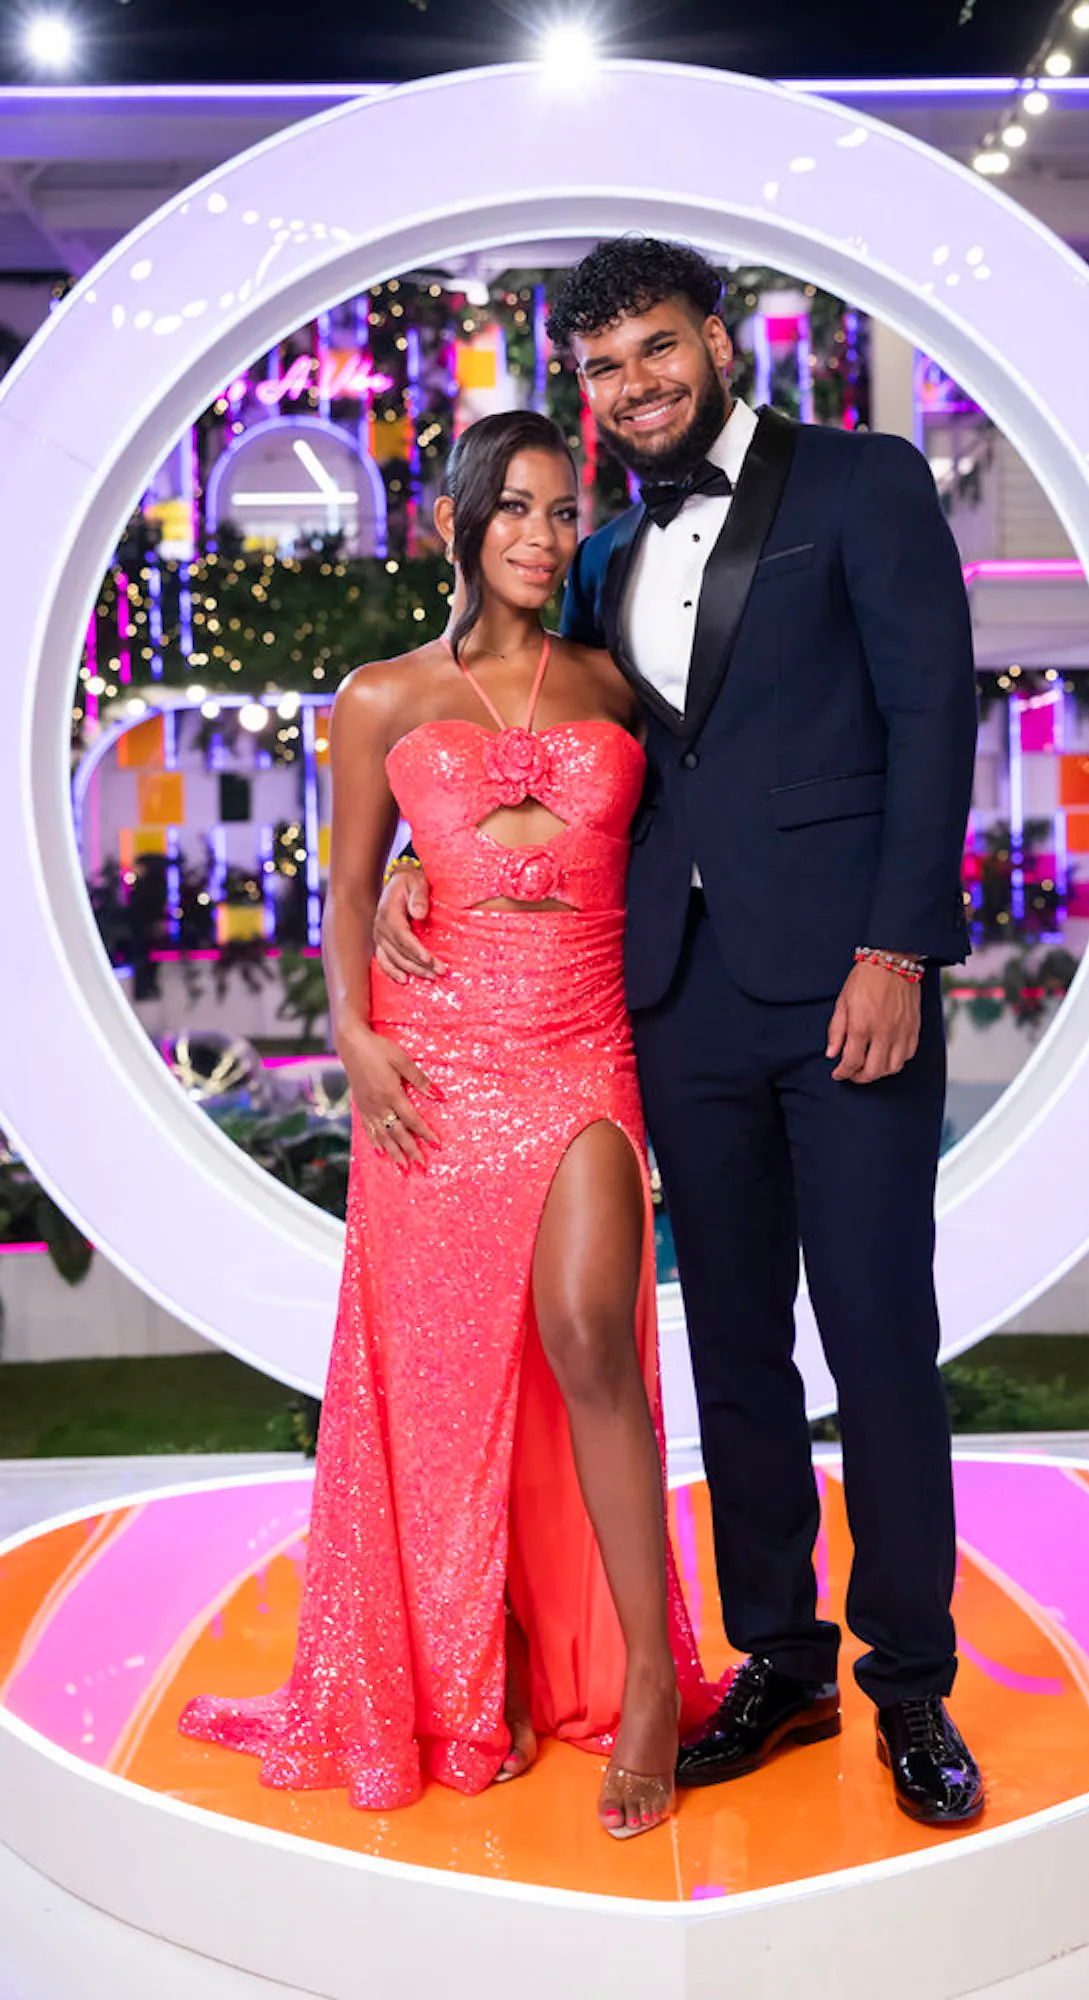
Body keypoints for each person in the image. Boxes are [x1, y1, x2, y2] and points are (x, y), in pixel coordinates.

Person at [377, 239, 984, 1826]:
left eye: (656, 348)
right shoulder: (595, 558)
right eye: (602, 366)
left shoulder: (860, 481)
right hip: (671, 997)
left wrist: (896, 947)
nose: (634, 385)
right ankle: (776, 1659)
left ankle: (909, 1684)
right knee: (730, 1343)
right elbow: (537, 737)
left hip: (848, 985)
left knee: (877, 1333)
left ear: (716, 339)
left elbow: (933, 716)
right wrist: (415, 862)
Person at [179, 409, 714, 1840]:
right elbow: (349, 889)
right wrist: (356, 1037)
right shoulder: (381, 698)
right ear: (456, 526)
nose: (543, 536)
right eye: (516, 509)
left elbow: (689, 845)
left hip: (581, 1046)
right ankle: (489, 1655)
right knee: (445, 1386)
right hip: (431, 1069)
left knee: (592, 1335)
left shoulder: (617, 686)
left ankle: (645, 1677)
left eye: (563, 510)